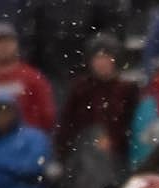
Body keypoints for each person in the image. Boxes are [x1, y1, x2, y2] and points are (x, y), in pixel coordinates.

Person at [55, 35, 138, 165]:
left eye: (106, 57)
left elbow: (131, 125)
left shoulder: (127, 90)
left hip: (117, 159)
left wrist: (114, 140)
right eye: (98, 58)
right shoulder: (80, 89)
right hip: (83, 158)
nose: (101, 63)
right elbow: (67, 126)